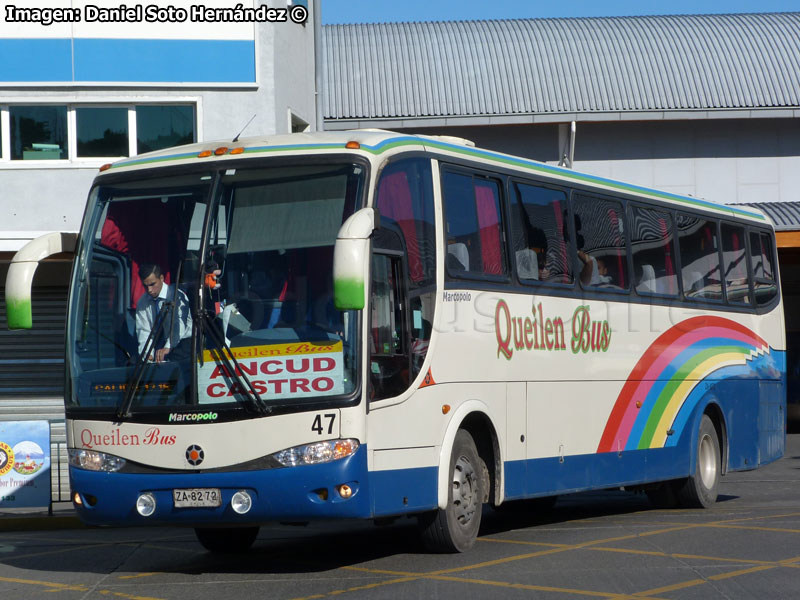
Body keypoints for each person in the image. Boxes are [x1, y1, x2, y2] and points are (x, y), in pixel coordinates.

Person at [135, 263, 192, 362]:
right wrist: (147, 354)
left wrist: (168, 347)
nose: (149, 290)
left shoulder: (177, 296)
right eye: (145, 286)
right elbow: (144, 331)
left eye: (152, 284)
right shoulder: (142, 302)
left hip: (184, 344)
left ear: (161, 278)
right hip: (161, 344)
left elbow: (179, 326)